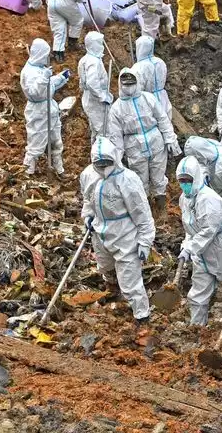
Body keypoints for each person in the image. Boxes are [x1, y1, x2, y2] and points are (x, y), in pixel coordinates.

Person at [81, 137, 155, 325]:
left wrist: (145, 242)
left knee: (130, 282)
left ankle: (142, 316)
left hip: (125, 235)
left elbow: (142, 214)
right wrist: (88, 215)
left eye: (107, 162)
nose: (103, 167)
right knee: (105, 267)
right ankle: (113, 293)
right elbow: (88, 200)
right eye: (99, 163)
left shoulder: (127, 180)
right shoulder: (88, 175)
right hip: (100, 231)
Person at [177, 156, 222, 325]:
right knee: (198, 291)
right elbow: (190, 227)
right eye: (181, 180)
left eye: (188, 180)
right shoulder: (184, 199)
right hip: (200, 249)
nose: (184, 184)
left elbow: (209, 230)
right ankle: (196, 327)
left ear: (196, 178)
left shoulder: (208, 199)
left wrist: (190, 248)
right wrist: (186, 246)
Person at [107, 67, 181, 218]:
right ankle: (146, 210)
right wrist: (117, 157)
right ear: (120, 84)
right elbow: (115, 136)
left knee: (158, 173)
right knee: (140, 178)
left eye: (131, 82)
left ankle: (161, 207)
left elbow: (162, 119)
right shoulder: (116, 108)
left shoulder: (148, 98)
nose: (129, 86)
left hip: (155, 140)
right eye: (125, 83)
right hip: (134, 145)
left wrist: (170, 138)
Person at [19, 39, 70, 177]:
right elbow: (35, 92)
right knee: (36, 143)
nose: (48, 58)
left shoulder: (40, 68)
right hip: (38, 111)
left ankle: (59, 170)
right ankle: (27, 173)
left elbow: (48, 87)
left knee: (56, 142)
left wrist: (60, 78)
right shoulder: (28, 72)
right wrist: (44, 78)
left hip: (50, 109)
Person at [78, 30, 114, 141]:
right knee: (103, 131)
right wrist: (102, 96)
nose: (101, 46)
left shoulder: (85, 59)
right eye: (99, 44)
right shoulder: (93, 62)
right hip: (96, 101)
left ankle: (94, 153)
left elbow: (82, 83)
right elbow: (92, 83)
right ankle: (103, 156)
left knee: (96, 128)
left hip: (90, 98)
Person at [130, 35, 170, 113]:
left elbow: (136, 89)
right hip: (162, 99)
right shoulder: (160, 62)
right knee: (165, 121)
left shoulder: (138, 67)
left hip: (147, 102)